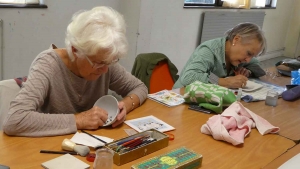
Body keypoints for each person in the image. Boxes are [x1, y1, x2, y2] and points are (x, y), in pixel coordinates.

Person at [3, 6, 148, 137]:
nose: (105, 70)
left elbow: (139, 87)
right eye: (98, 63)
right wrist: (79, 120)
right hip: (50, 147)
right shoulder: (48, 65)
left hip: (90, 146)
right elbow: (14, 119)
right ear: (75, 50)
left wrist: (126, 106)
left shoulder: (104, 59)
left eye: (109, 62)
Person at [173, 22, 267, 89]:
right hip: (181, 97)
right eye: (249, 54)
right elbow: (190, 76)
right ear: (236, 39)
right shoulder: (209, 50)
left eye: (252, 56)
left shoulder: (240, 57)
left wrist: (248, 71)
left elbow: (260, 67)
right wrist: (224, 81)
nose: (248, 60)